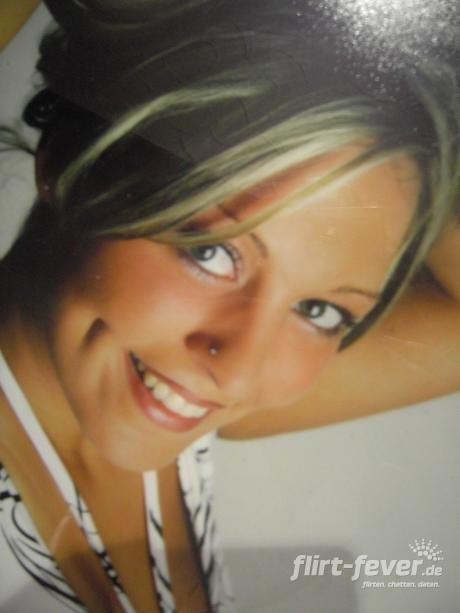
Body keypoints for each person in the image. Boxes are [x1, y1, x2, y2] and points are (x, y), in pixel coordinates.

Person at [0, 1, 459, 611]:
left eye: (319, 310)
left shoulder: (173, 413)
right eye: (211, 252)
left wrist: (410, 109)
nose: (239, 373)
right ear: (73, 162)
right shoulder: (158, 391)